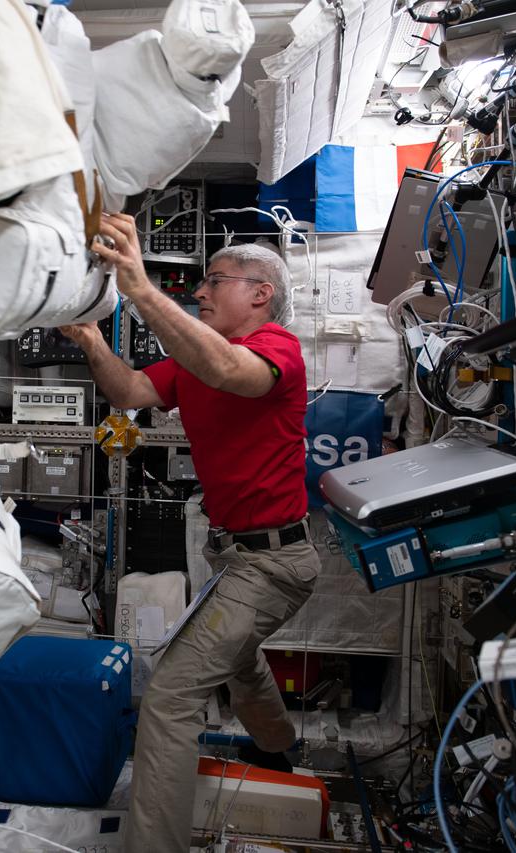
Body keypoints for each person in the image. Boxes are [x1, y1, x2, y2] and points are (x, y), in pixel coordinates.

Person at [60, 212, 321, 852]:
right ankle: (281, 753)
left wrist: (140, 288)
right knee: (238, 661)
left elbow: (231, 371)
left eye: (214, 281)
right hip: (234, 555)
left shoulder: (277, 349)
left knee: (170, 697)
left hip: (275, 564)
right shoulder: (193, 361)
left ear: (260, 294)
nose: (200, 291)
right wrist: (90, 338)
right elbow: (129, 390)